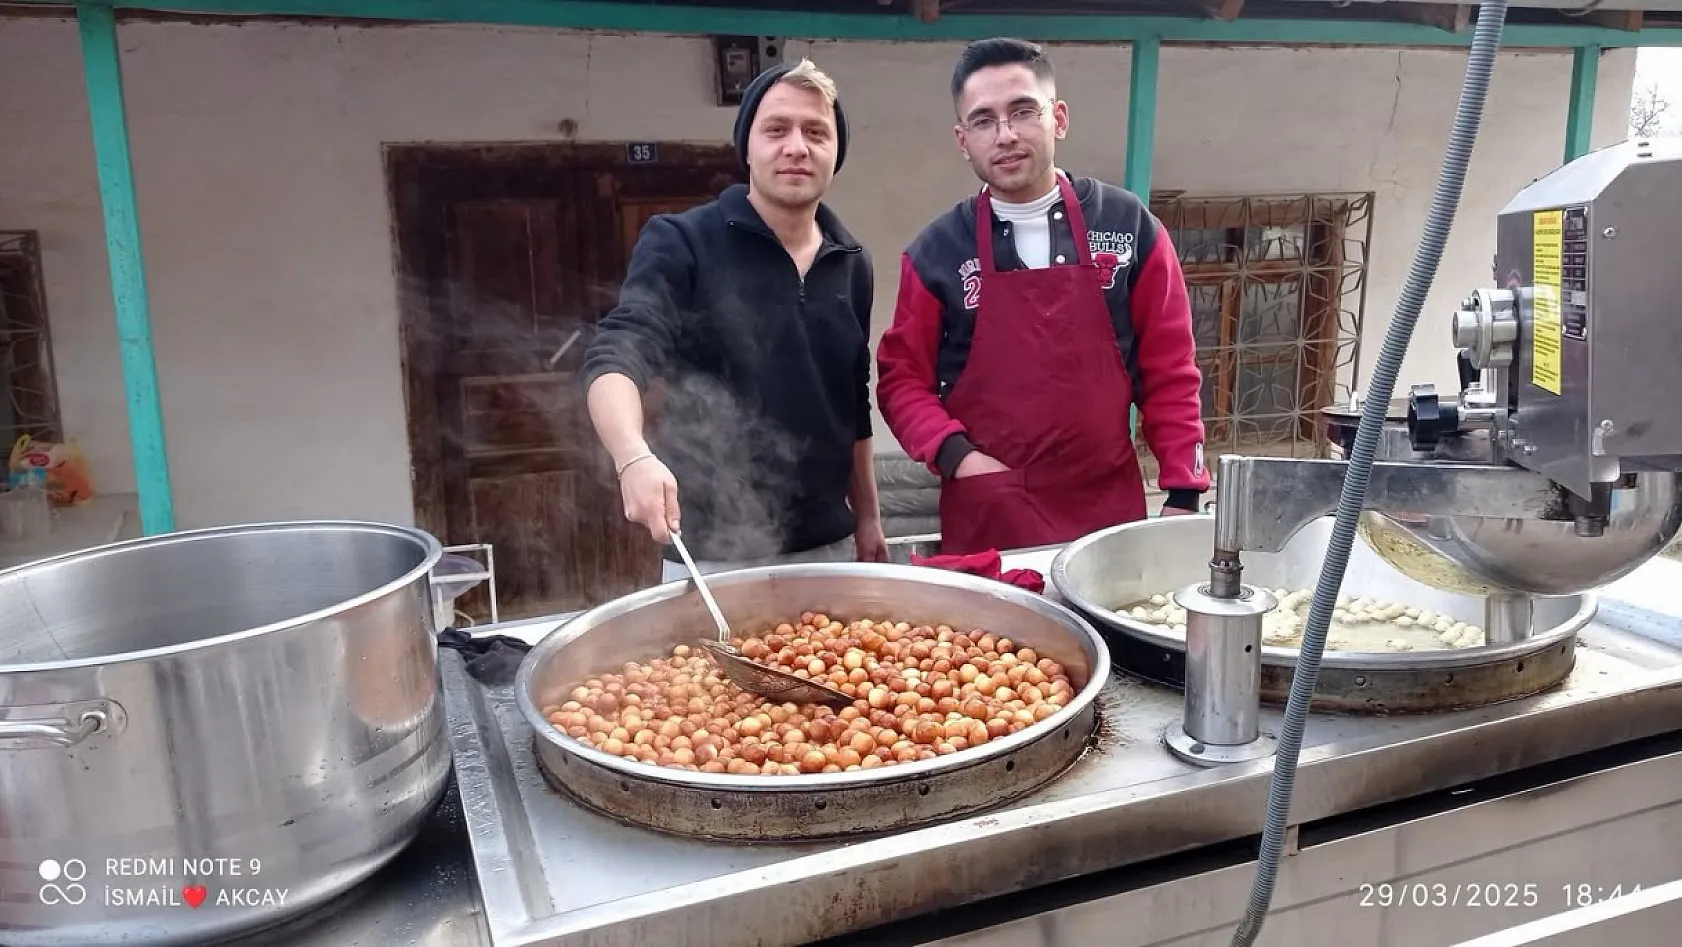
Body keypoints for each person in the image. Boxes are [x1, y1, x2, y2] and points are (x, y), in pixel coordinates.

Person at [875, 38, 1209, 556]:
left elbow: (1170, 368)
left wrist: (1184, 492)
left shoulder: (1129, 228)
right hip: (989, 514)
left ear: (1058, 118)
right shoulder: (935, 253)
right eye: (984, 121)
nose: (1005, 134)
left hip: (1106, 519)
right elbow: (901, 381)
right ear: (963, 140)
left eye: (1023, 111)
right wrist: (957, 455)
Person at [581, 59, 889, 582]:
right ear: (747, 145)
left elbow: (852, 402)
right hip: (711, 556)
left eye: (817, 132)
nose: (797, 146)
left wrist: (869, 517)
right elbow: (619, 351)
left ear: (836, 152)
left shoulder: (851, 261)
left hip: (829, 548)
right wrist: (632, 457)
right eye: (776, 129)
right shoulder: (682, 242)